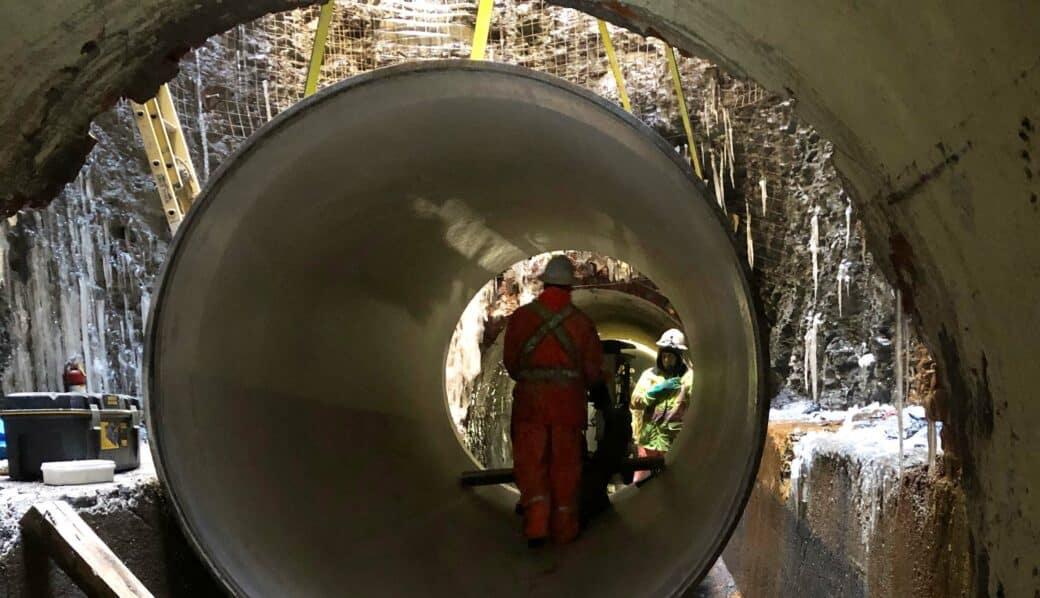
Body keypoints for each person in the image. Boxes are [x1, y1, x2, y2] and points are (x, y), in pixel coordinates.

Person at [503, 255, 606, 547]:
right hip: (567, 407)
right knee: (565, 467)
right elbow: (592, 369)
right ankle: (564, 529)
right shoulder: (582, 324)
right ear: (570, 287)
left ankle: (536, 527)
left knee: (531, 464)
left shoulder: (521, 318)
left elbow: (511, 364)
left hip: (530, 405)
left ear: (544, 283)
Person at [630, 329, 692, 482]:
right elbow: (634, 403)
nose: (666, 360)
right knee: (641, 484)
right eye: (664, 355)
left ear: (679, 357)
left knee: (671, 484)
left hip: (673, 445)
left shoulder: (689, 379)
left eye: (670, 356)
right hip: (648, 443)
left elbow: (699, 408)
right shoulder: (649, 376)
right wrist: (652, 393)